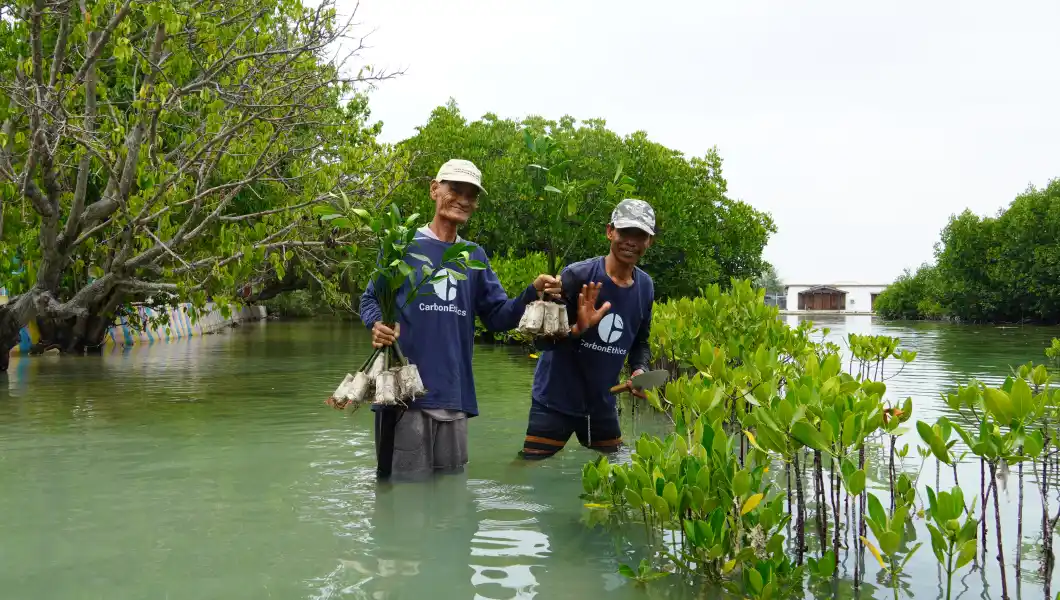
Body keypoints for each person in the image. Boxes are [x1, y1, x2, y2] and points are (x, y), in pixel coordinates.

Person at [360, 158, 561, 480]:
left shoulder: (474, 256)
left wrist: (531, 293)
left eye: (472, 194)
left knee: (450, 498)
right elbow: (370, 298)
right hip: (403, 394)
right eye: (456, 189)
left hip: (455, 396)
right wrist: (376, 324)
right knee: (403, 495)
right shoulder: (402, 245)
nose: (464, 200)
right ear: (434, 190)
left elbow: (497, 318)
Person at [520, 199, 656, 460]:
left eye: (640, 235)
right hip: (555, 399)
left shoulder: (646, 287)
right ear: (610, 232)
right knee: (528, 470)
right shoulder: (576, 276)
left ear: (649, 241)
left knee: (618, 471)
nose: (631, 241)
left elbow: (641, 343)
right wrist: (578, 328)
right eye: (625, 232)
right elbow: (542, 344)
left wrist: (641, 370)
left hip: (602, 402)